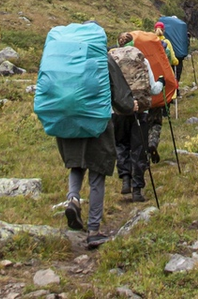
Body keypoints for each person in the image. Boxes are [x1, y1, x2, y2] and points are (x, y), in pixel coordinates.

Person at [59, 43, 137, 249]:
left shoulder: (67, 57)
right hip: (97, 122)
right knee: (97, 173)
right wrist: (130, 107)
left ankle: (73, 199)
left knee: (76, 164)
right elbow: (117, 91)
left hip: (70, 119)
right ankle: (94, 231)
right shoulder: (103, 59)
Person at [112, 32, 162, 203]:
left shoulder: (111, 60)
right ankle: (137, 190)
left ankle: (125, 179)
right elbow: (154, 89)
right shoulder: (142, 59)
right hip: (140, 111)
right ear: (133, 44)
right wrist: (162, 82)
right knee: (138, 149)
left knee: (121, 145)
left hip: (117, 111)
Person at [145, 25, 178, 164]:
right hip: (156, 93)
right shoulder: (163, 44)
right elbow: (171, 60)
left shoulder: (137, 53)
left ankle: (144, 154)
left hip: (139, 97)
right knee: (156, 122)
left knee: (142, 124)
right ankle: (153, 142)